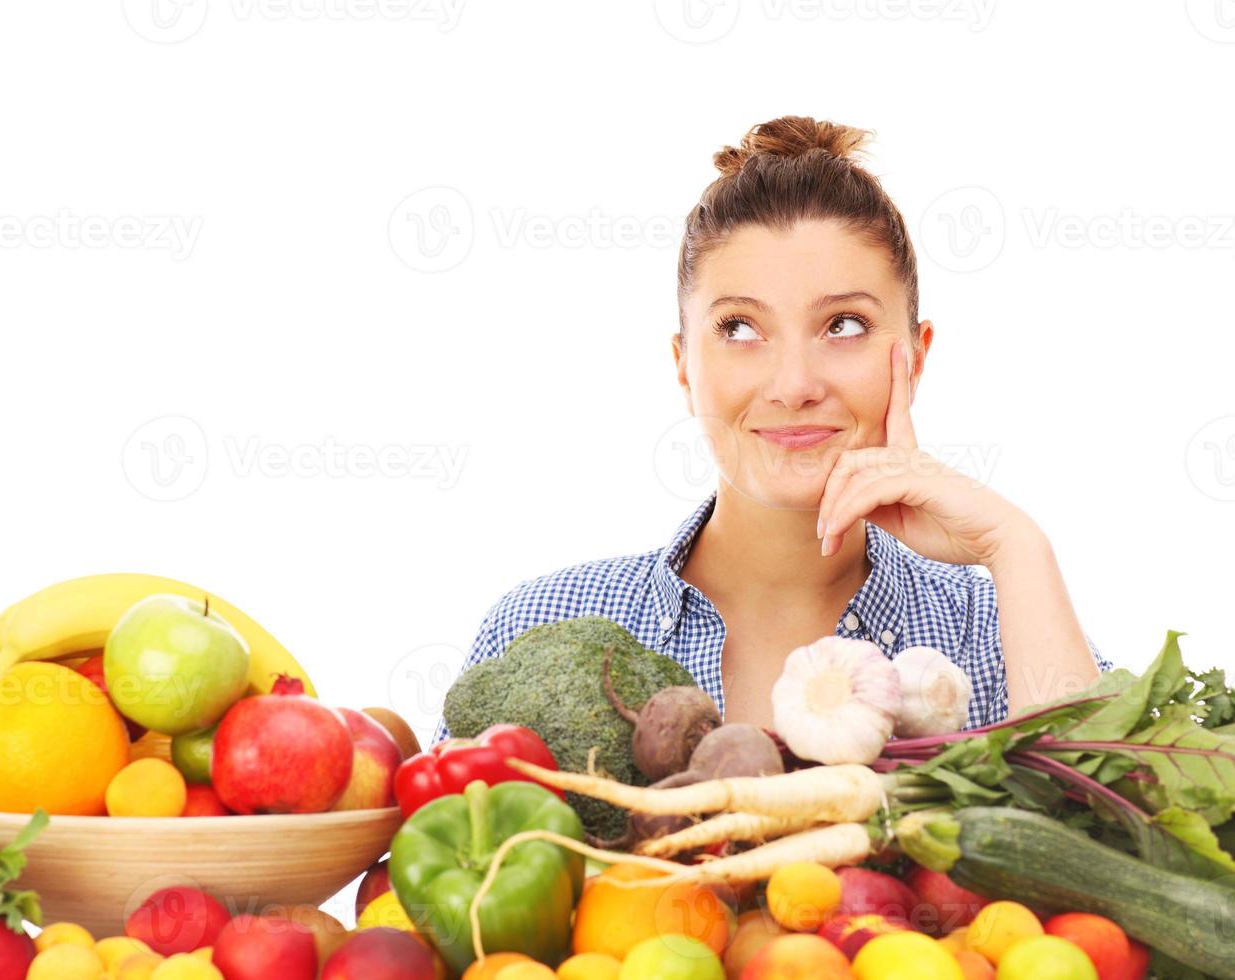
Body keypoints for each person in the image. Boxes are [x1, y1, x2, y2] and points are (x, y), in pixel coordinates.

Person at [433, 115, 1109, 745]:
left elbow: (1113, 853)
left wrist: (1015, 547)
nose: (794, 384)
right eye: (740, 329)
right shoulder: (540, 629)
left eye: (844, 325)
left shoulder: (995, 632)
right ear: (683, 365)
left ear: (917, 354)